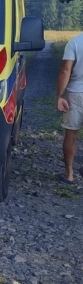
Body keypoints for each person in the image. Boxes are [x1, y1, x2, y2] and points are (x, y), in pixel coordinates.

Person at [57, 32, 83, 182]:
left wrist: (59, 96)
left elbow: (65, 70)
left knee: (71, 134)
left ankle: (69, 174)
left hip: (76, 94)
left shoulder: (74, 42)